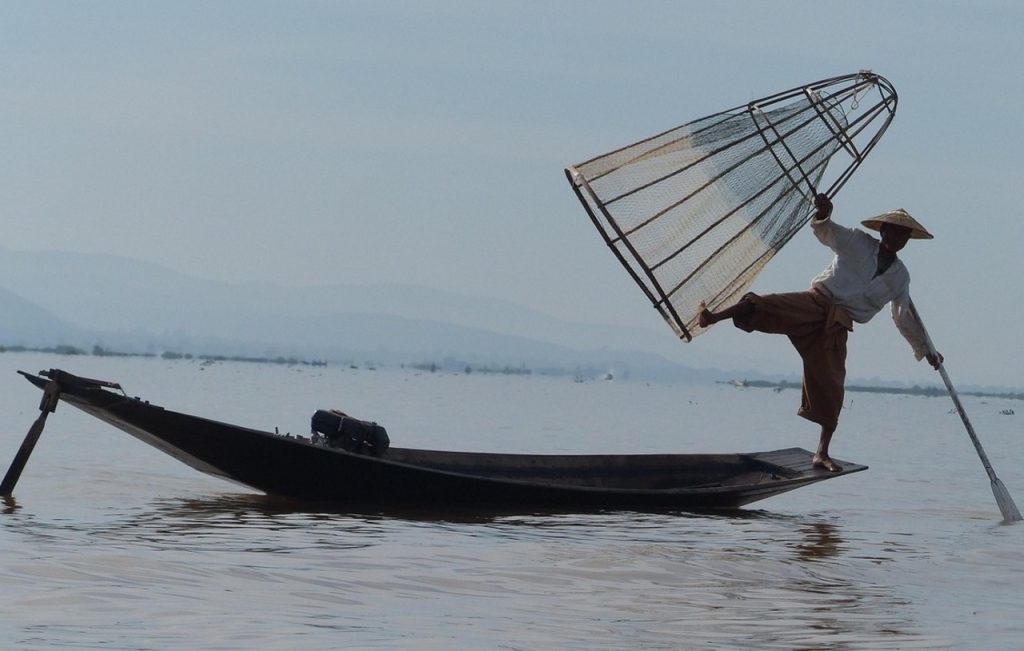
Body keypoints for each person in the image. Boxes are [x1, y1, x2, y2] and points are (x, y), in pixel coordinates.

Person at [698, 193, 943, 472]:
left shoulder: (900, 276)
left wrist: (927, 351)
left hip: (838, 325)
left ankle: (822, 453)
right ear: (883, 230)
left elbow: (904, 316)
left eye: (902, 235)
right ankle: (713, 316)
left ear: (906, 240)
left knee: (833, 386)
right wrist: (823, 214)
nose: (895, 238)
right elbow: (827, 232)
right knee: (767, 305)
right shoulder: (858, 242)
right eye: (891, 231)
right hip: (816, 302)